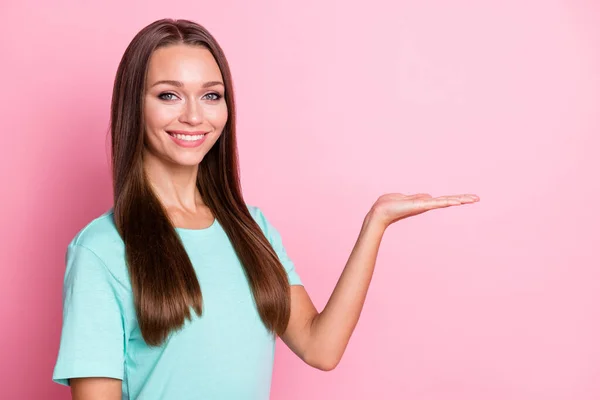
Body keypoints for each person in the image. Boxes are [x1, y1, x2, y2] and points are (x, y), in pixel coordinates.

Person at [52, 18, 479, 400]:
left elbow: (320, 347)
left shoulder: (251, 227)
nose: (194, 116)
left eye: (211, 96)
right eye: (169, 95)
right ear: (134, 105)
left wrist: (375, 224)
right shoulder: (101, 250)